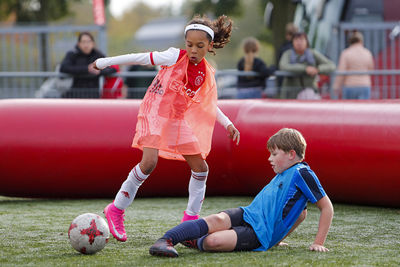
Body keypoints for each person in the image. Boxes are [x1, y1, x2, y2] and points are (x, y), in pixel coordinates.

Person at [93, 15, 240, 242]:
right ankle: (116, 209)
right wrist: (105, 62)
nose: (193, 50)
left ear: (210, 46)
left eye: (199, 46)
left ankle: (190, 222)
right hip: (155, 113)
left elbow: (208, 104)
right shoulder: (174, 56)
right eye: (189, 45)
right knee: (149, 163)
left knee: (201, 168)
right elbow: (140, 57)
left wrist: (228, 123)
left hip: (176, 120)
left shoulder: (206, 73)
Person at [149, 128, 334, 258]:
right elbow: (301, 214)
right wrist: (281, 238)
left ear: (291, 154)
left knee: (213, 242)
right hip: (247, 213)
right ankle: (165, 240)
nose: (270, 159)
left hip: (259, 233)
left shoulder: (302, 172)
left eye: (274, 154)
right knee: (217, 220)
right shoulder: (284, 173)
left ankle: (193, 240)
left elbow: (326, 207)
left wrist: (318, 242)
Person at [279, 32, 335, 99]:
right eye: (296, 40)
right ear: (292, 42)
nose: (299, 42)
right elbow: (283, 66)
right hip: (290, 95)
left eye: (302, 39)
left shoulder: (313, 53)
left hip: (310, 93)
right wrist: (305, 69)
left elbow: (331, 65)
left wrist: (317, 69)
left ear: (307, 42)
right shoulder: (287, 54)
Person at [60, 32, 116, 98]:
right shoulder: (73, 54)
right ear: (78, 44)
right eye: (83, 42)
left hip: (93, 95)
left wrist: (99, 71)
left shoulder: (98, 55)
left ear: (93, 43)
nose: (86, 45)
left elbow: (112, 68)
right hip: (76, 94)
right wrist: (87, 69)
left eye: (88, 42)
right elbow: (63, 67)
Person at [333, 31, 374, 99]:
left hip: (350, 85)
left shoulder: (346, 53)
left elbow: (341, 71)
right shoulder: (367, 53)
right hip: (364, 85)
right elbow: (371, 69)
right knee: (364, 108)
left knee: (349, 108)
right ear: (361, 41)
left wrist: (336, 85)